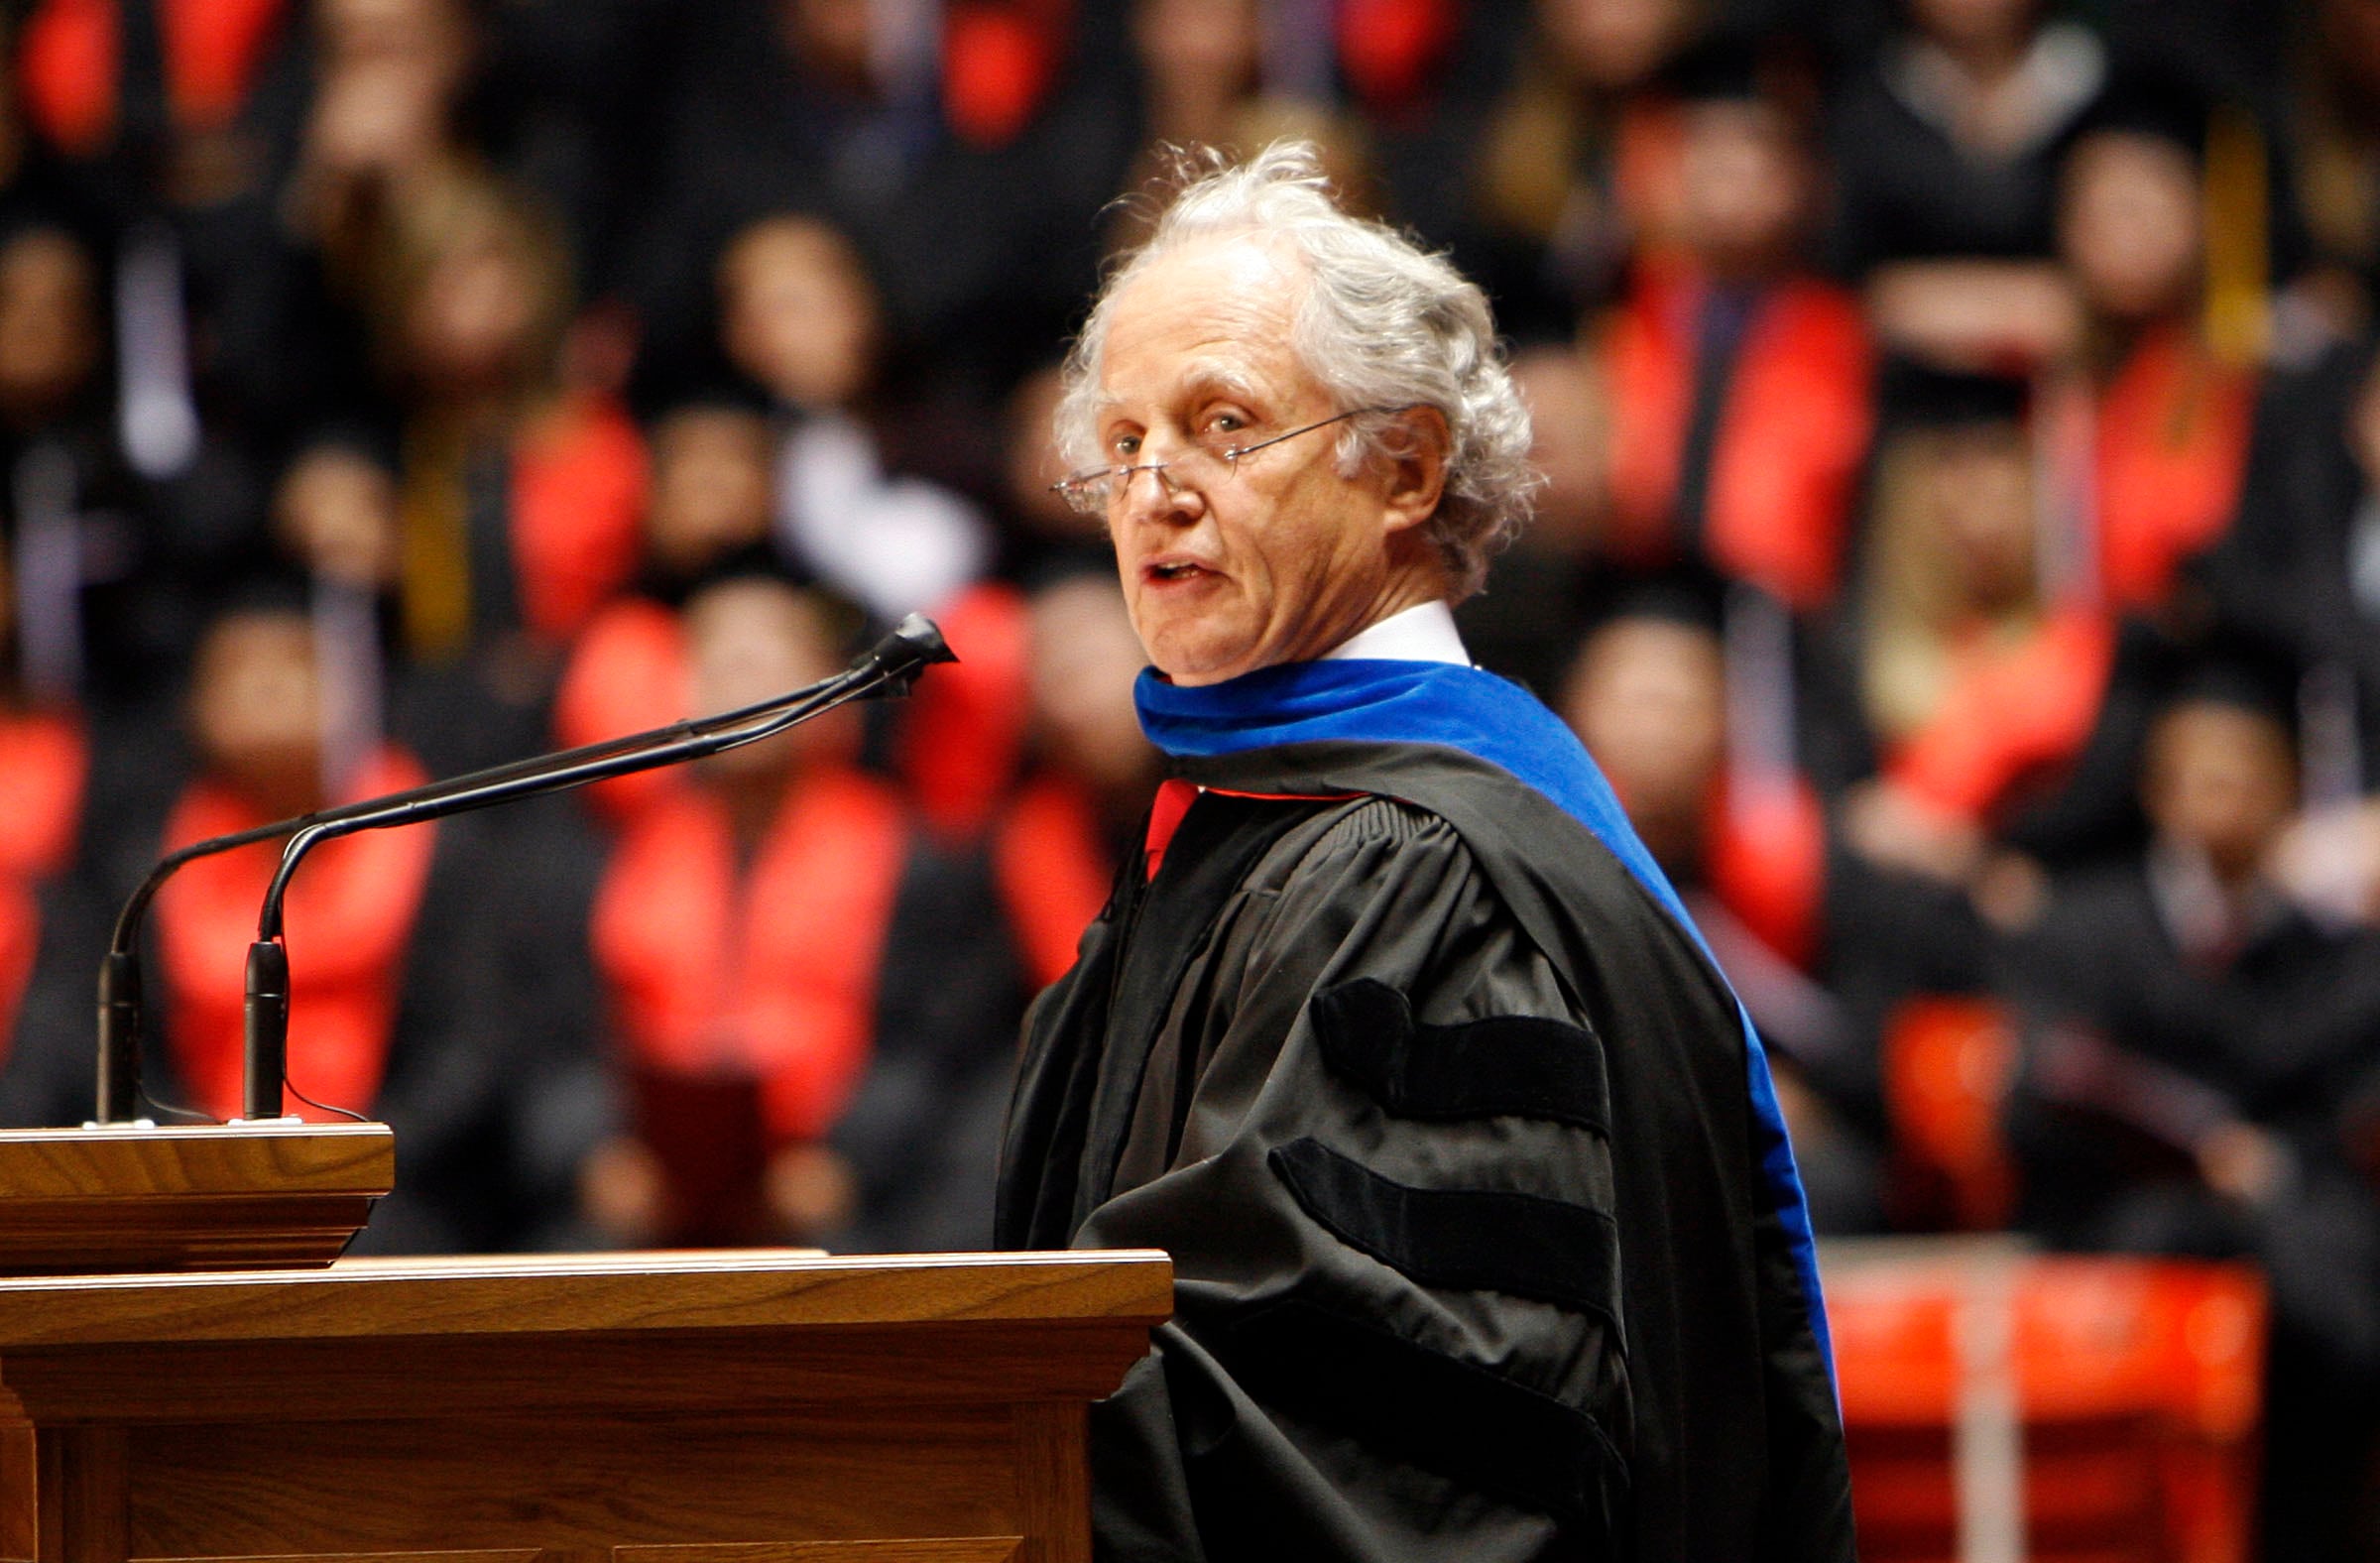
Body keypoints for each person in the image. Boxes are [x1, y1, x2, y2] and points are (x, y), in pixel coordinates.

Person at [993, 143, 1852, 1562]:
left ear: (1403, 466)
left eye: (1223, 425)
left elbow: (1388, 1439)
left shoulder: (1414, 870)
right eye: (1127, 444)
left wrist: (950, 1470)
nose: (1156, 488)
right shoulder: (1263, 821)